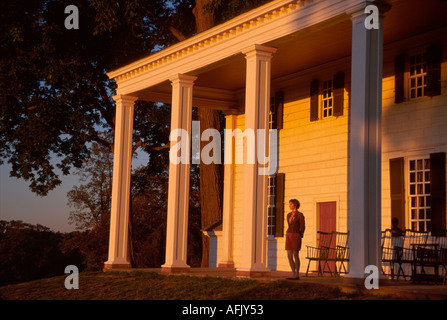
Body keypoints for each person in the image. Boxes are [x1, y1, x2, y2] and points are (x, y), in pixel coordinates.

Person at [285, 199, 305, 280]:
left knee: (295, 254)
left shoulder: (299, 215)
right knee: (289, 255)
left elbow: (302, 226)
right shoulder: (288, 214)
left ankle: (297, 274)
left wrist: (300, 234)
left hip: (296, 235)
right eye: (289, 204)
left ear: (295, 205)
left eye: (291, 204)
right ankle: (293, 273)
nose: (289, 206)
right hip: (289, 235)